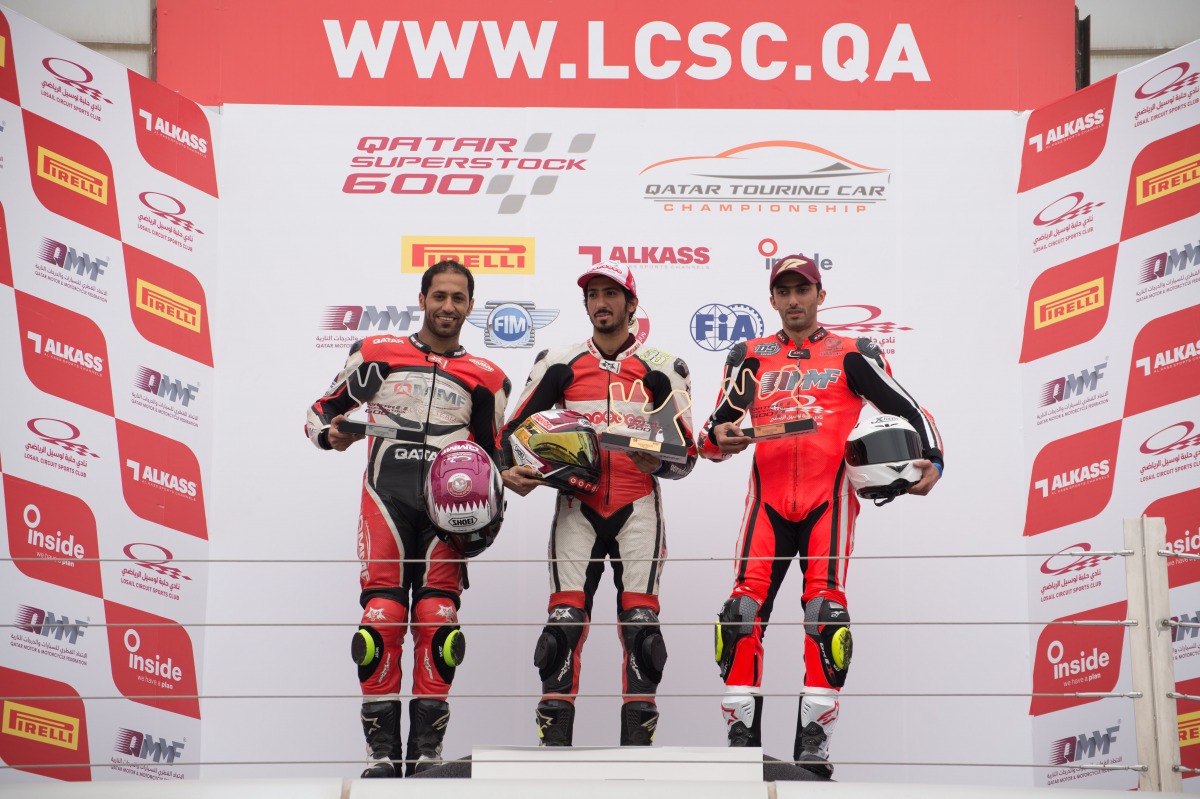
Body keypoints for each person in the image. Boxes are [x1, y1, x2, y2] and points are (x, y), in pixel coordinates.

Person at [700, 254, 943, 778]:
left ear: (819, 295)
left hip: (828, 501)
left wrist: (935, 462)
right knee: (741, 613)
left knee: (825, 615)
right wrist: (719, 441)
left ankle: (814, 741)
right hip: (764, 505)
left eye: (802, 290)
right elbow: (713, 433)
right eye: (783, 291)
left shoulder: (852, 354)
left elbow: (910, 410)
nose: (793, 300)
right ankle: (741, 743)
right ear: (771, 299)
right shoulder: (749, 355)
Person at [305, 260, 510, 778]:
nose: (447, 307)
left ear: (469, 305)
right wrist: (332, 435)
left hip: (449, 513)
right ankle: (379, 755)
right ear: (421, 300)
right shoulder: (376, 354)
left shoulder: (487, 377)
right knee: (381, 619)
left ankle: (425, 754)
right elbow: (318, 413)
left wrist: (508, 491)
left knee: (440, 620)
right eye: (438, 296)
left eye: (458, 298)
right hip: (385, 502)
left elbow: (495, 459)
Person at [500, 259, 697, 747]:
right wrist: (514, 472)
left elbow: (687, 455)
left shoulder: (663, 365)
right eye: (593, 295)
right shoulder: (558, 361)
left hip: (638, 507)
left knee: (642, 630)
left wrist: (657, 459)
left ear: (632, 304)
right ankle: (554, 746)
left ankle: (637, 748)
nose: (601, 303)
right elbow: (508, 435)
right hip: (575, 507)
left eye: (612, 295)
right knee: (562, 627)